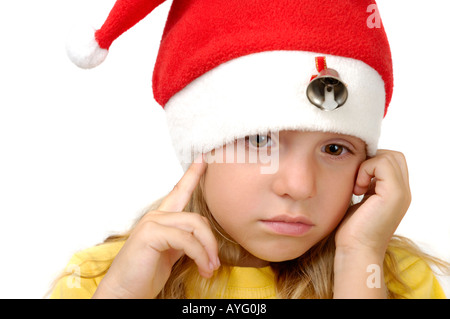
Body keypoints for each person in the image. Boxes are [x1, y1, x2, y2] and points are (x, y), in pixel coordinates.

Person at [51, 0, 448, 298]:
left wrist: (359, 257)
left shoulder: (390, 278)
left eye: (334, 148)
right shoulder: (104, 277)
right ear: (200, 145)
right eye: (260, 140)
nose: (299, 186)